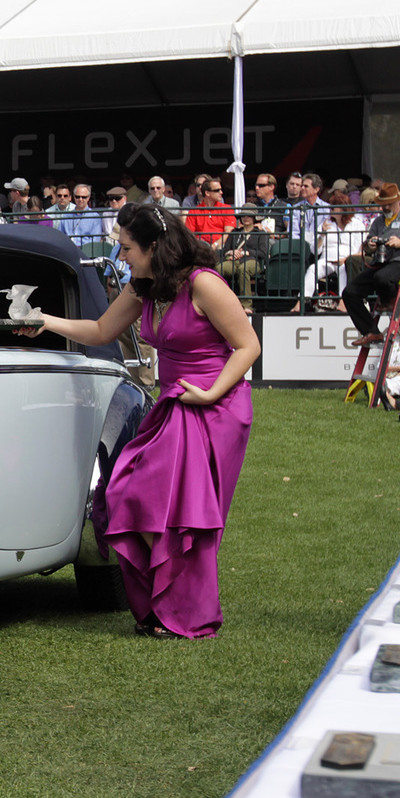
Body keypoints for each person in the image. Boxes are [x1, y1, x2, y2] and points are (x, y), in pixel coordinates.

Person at [19, 203, 258, 639]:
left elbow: (247, 346)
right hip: (174, 403)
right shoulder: (142, 288)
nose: (121, 255)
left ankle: (183, 615)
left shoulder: (204, 285)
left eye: (127, 247)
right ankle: (169, 607)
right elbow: (99, 331)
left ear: (154, 246)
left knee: (183, 515)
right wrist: (42, 321)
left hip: (214, 407)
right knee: (127, 493)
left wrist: (209, 393)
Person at [342, 182, 400, 347]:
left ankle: (390, 300)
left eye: (388, 204)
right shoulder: (378, 222)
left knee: (382, 278)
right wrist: (369, 245)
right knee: (349, 292)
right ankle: (371, 331)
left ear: (397, 202)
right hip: (381, 262)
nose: (385, 207)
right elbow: (367, 245)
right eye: (382, 204)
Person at [216, 206, 270, 310]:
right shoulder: (234, 232)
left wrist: (246, 252)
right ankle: (220, 301)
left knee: (243, 269)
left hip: (252, 261)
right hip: (234, 260)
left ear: (254, 218)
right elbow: (225, 250)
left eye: (249, 216)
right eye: (243, 216)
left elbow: (263, 253)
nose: (246, 218)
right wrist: (231, 252)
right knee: (219, 268)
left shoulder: (260, 234)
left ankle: (246, 306)